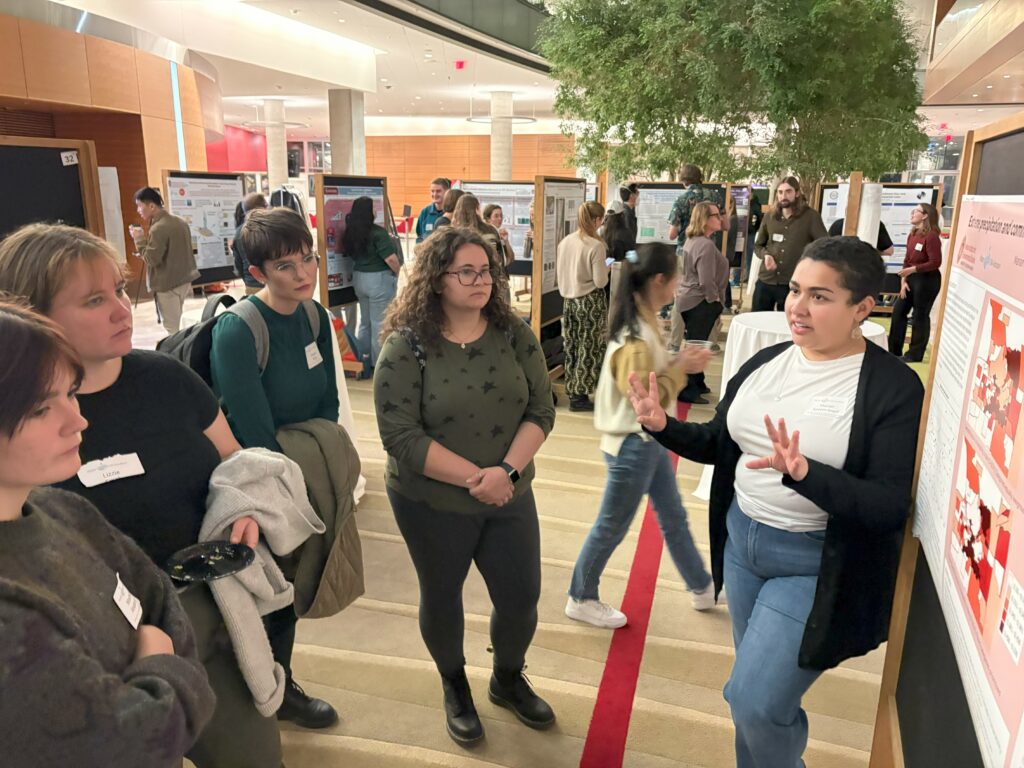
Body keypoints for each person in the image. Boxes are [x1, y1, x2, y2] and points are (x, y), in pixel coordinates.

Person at [628, 236, 925, 768]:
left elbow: (886, 506)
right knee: (756, 699)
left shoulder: (891, 387)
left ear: (862, 308)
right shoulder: (770, 360)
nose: (797, 307)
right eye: (794, 290)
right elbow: (723, 441)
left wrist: (806, 474)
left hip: (813, 562)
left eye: (820, 296)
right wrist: (663, 426)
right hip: (744, 546)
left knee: (754, 701)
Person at [0, 223, 285, 767]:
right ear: (29, 318)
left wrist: (242, 509)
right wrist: (156, 663)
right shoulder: (32, 480)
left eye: (121, 291)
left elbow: (238, 465)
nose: (121, 309)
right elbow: (118, 738)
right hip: (109, 657)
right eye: (93, 300)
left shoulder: (164, 379)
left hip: (207, 603)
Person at [0, 300, 216, 768]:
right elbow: (136, 745)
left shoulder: (65, 510)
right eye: (41, 408)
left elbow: (161, 601)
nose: (77, 420)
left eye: (71, 393)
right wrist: (162, 664)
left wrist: (151, 677)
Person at [374, 226, 556, 745]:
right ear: (436, 280)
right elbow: (399, 435)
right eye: (467, 272)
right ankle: (455, 684)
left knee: (521, 598)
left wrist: (508, 474)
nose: (482, 281)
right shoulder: (406, 345)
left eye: (488, 270)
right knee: (443, 594)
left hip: (510, 493)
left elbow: (541, 409)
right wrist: (479, 478)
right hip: (430, 499)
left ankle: (506, 678)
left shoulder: (513, 332)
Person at [208, 207, 340, 729]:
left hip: (308, 466)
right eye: (286, 266)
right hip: (258, 480)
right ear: (258, 273)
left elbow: (328, 401)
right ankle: (266, 694)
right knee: (267, 591)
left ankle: (280, 682)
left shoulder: (313, 315)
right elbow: (250, 430)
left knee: (294, 584)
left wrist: (324, 454)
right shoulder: (238, 330)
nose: (303, 273)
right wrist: (287, 490)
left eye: (307, 258)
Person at [565, 243, 715, 630]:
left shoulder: (645, 321)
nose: (680, 284)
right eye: (676, 277)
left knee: (672, 516)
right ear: (659, 281)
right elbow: (645, 401)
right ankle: (581, 595)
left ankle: (701, 585)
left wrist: (676, 362)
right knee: (613, 524)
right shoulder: (634, 335)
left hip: (645, 441)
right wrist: (681, 366)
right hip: (633, 442)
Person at [667, 165, 729, 349]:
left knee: (682, 296)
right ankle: (710, 340)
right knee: (711, 293)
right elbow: (726, 225)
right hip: (711, 252)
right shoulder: (716, 197)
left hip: (685, 251)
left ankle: (675, 342)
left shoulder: (681, 199)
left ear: (683, 180)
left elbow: (672, 234)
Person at [556, 201, 609, 412]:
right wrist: (607, 267)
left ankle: (573, 389)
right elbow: (600, 282)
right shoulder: (596, 246)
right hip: (590, 302)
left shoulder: (565, 242)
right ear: (596, 220)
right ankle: (581, 395)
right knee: (589, 348)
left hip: (569, 302)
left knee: (572, 346)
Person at [676, 201, 729, 404]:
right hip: (699, 301)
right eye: (716, 215)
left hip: (691, 299)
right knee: (696, 346)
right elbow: (706, 280)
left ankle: (698, 382)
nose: (720, 218)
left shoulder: (694, 240)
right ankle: (687, 389)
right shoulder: (705, 245)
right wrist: (714, 300)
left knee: (696, 342)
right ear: (705, 220)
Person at [129, 186, 199, 335]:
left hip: (168, 284)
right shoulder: (180, 222)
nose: (138, 210)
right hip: (184, 280)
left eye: (140, 206)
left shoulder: (158, 228)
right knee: (178, 320)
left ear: (152, 206)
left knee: (172, 328)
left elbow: (151, 259)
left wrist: (139, 239)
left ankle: (178, 355)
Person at [752, 177, 828, 312]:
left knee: (788, 325)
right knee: (757, 319)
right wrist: (766, 255)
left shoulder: (811, 217)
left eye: (788, 192)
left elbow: (825, 246)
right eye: (780, 192)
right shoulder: (769, 216)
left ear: (797, 193)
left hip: (794, 284)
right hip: (766, 280)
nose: (783, 196)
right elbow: (758, 246)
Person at [344, 196, 400, 369]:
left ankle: (363, 358)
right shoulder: (378, 233)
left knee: (365, 322)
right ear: (369, 212)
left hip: (359, 278)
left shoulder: (350, 232)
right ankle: (380, 364)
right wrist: (400, 273)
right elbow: (391, 259)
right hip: (378, 280)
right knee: (379, 323)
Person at [889, 202, 943, 362]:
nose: (912, 214)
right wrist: (903, 281)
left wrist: (912, 271)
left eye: (916, 211)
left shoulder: (932, 236)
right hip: (911, 279)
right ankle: (894, 351)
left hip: (927, 280)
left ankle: (915, 354)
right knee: (899, 312)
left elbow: (935, 262)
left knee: (920, 316)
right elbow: (907, 259)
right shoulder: (913, 234)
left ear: (925, 215)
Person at [451, 194, 512, 273]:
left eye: (501, 216)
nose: (500, 219)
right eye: (496, 216)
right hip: (487, 275)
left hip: (462, 276)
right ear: (477, 209)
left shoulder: (453, 232)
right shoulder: (490, 230)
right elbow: (497, 259)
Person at [232, 192, 268, 295]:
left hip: (251, 285)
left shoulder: (239, 232)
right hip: (274, 286)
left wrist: (247, 279)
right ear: (264, 206)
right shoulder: (271, 228)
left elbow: (238, 263)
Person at [828, 217, 894, 256]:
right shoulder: (876, 224)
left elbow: (828, 247)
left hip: (839, 268)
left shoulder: (837, 224)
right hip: (866, 269)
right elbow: (889, 251)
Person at [415, 177, 451, 243]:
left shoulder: (451, 213)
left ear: (447, 192)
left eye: (438, 191)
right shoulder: (425, 212)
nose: (434, 194)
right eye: (432, 191)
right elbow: (419, 236)